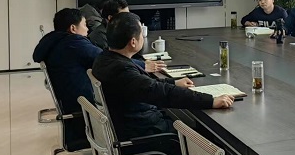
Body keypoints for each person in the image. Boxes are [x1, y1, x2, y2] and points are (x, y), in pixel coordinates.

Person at [92, 12, 234, 141]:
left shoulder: (104, 58)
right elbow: (161, 92)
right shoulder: (121, 70)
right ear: (133, 42)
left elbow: (145, 84)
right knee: (210, 140)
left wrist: (173, 82)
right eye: (141, 33)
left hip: (134, 125)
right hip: (146, 136)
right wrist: (210, 101)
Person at [32, 7, 165, 115]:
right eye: (85, 25)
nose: (87, 29)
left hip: (69, 98)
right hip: (82, 103)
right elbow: (109, 60)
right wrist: (143, 65)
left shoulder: (55, 40)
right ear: (73, 28)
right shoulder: (74, 44)